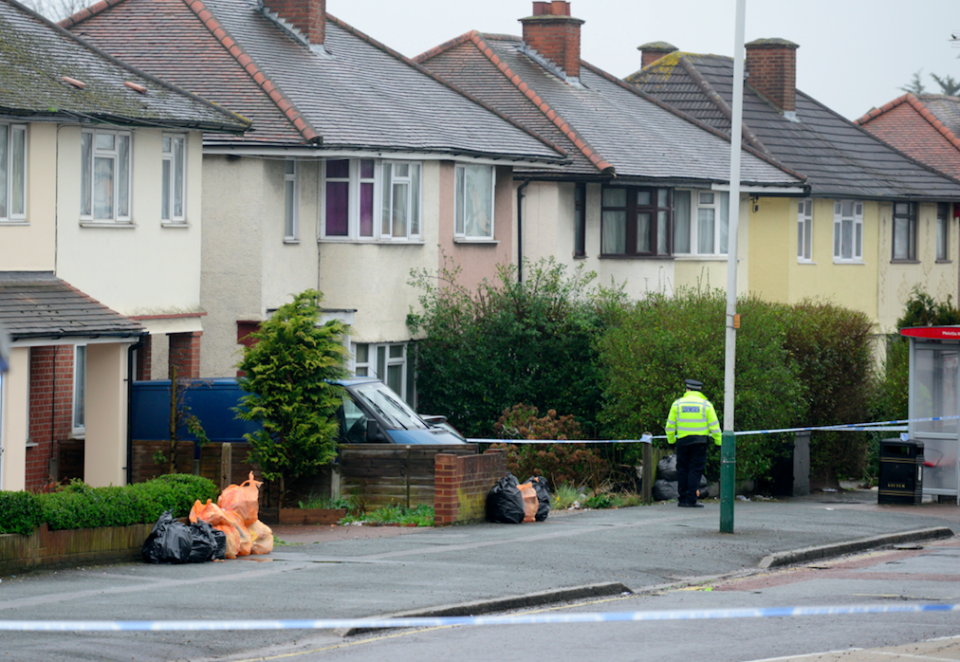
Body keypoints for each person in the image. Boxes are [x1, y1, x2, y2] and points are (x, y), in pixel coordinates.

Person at [665, 378, 721, 508]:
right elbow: (714, 426)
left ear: (687, 389)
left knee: (682, 470)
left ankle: (682, 499)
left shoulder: (677, 404)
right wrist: (719, 443)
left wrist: (671, 441)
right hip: (699, 443)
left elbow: (669, 426)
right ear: (699, 390)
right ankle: (691, 499)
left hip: (683, 442)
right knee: (695, 471)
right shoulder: (706, 405)